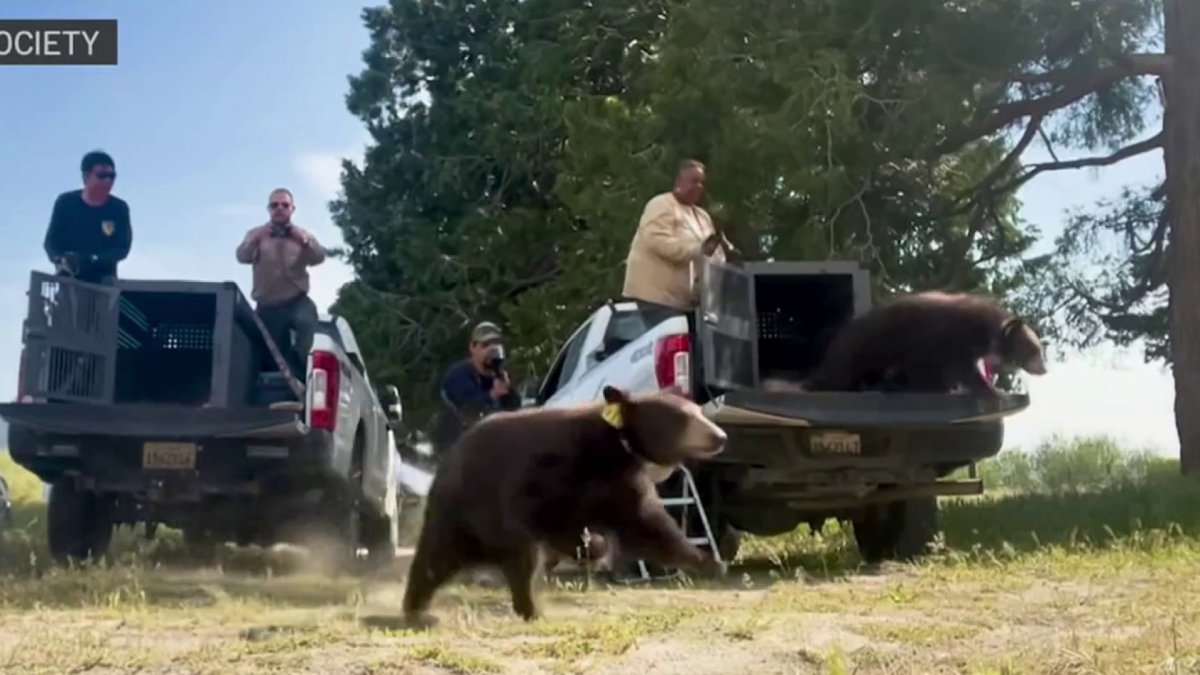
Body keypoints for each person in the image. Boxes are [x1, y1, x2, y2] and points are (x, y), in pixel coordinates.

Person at [621, 159, 737, 312]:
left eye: (702, 183)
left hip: (685, 304)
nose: (699, 187)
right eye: (694, 181)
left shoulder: (702, 216)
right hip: (653, 301)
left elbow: (710, 255)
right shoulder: (661, 204)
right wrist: (698, 249)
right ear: (678, 181)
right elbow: (658, 242)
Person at [235, 187, 326, 377]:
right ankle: (294, 386)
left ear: (292, 209)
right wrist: (255, 241)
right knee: (275, 356)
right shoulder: (255, 234)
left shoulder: (302, 235)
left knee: (307, 326)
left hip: (297, 301)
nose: (279, 208)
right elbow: (241, 256)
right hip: (269, 306)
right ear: (268, 209)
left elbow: (319, 257)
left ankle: (308, 373)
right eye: (274, 205)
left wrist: (305, 242)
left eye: (285, 205)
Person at [431, 321, 523, 456]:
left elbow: (514, 409)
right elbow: (469, 408)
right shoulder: (459, 374)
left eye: (496, 344)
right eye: (485, 345)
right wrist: (493, 394)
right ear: (473, 347)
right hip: (455, 448)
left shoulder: (499, 374)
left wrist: (508, 390)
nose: (492, 350)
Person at [43, 150, 133, 285]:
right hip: (69, 281)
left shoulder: (119, 208)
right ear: (86, 176)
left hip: (104, 283)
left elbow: (122, 248)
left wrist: (92, 259)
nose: (108, 180)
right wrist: (60, 259)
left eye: (112, 176)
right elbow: (51, 242)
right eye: (102, 175)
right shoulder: (66, 203)